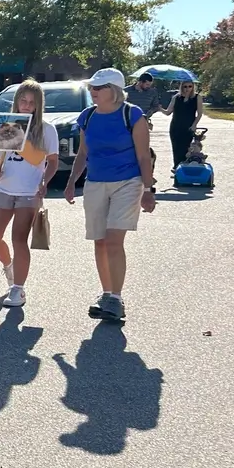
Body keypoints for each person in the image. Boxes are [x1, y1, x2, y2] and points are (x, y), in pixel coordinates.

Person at [64, 68, 156, 323]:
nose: (92, 91)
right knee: (100, 241)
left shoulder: (132, 115)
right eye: (91, 87)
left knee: (114, 240)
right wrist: (72, 182)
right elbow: (83, 153)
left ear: (114, 91)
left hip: (128, 182)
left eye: (98, 88)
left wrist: (148, 190)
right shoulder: (87, 117)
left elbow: (142, 156)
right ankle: (106, 294)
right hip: (95, 183)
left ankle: (116, 298)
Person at [0, 79, 59, 308]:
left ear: (38, 105)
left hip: (29, 192)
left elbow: (53, 161)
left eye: (31, 102)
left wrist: (45, 181)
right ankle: (9, 267)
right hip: (5, 189)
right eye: (23, 101)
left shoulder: (47, 129)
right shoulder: (8, 126)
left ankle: (18, 289)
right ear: (16, 101)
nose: (26, 106)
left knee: (19, 239)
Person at [162, 79, 204, 170]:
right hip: (175, 126)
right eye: (185, 86)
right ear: (181, 87)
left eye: (190, 86)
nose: (187, 89)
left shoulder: (197, 97)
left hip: (189, 126)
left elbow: (200, 113)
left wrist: (194, 125)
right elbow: (168, 112)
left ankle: (186, 166)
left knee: (187, 147)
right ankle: (177, 166)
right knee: (176, 147)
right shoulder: (176, 97)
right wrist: (159, 108)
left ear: (193, 87)